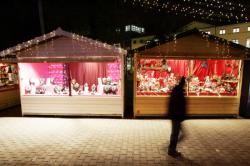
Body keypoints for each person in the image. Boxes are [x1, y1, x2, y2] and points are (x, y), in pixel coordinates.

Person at [168, 76, 187, 157]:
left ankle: (171, 148)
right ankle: (171, 150)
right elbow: (179, 105)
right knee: (176, 134)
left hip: (175, 115)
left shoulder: (177, 90)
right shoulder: (179, 91)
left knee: (176, 134)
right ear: (183, 83)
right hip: (176, 116)